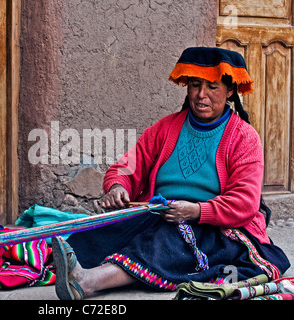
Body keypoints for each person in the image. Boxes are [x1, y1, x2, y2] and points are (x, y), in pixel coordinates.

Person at [51, 47, 291, 300]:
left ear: (230, 91)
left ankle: (88, 282)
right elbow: (129, 165)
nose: (201, 95)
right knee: (95, 237)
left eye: (213, 87)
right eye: (195, 85)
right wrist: (118, 186)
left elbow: (245, 202)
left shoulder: (244, 137)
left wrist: (196, 211)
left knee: (165, 243)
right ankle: (80, 269)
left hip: (214, 226)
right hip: (160, 213)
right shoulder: (166, 128)